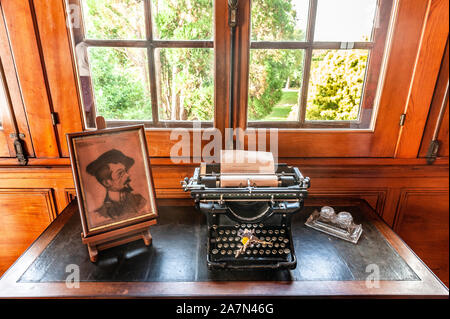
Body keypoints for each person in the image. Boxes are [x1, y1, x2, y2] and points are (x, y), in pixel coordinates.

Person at [86, 149, 147, 221]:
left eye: (126, 171)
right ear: (107, 183)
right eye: (120, 173)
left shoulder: (140, 201)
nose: (127, 175)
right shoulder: (101, 214)